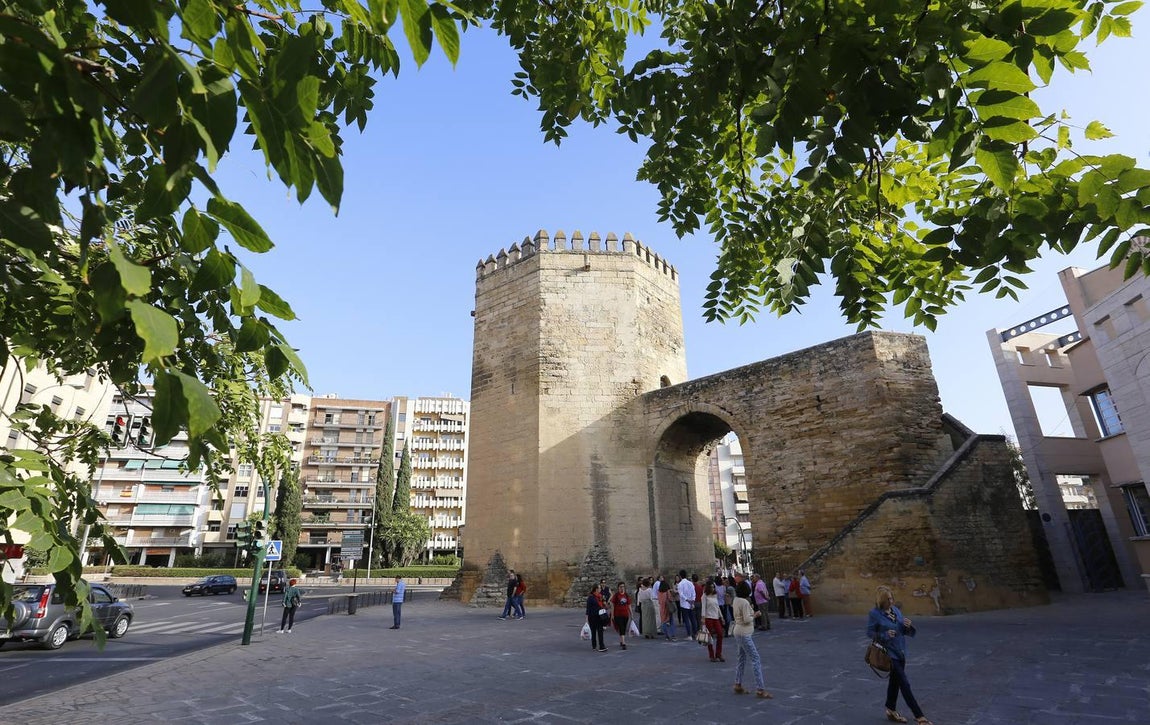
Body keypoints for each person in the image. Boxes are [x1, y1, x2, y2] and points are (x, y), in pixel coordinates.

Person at [868, 586, 932, 725]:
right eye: (888, 599)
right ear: (881, 600)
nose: (891, 601)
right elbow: (870, 633)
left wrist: (907, 625)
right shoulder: (874, 614)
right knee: (904, 683)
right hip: (888, 652)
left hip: (900, 651)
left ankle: (890, 709)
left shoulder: (896, 610)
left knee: (895, 681)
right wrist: (884, 635)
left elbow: (901, 629)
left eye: (892, 598)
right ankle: (919, 716)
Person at [731, 580, 770, 699]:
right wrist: (756, 615)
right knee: (755, 658)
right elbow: (747, 619)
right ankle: (760, 688)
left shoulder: (736, 600)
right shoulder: (744, 602)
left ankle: (738, 683)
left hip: (738, 631)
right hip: (744, 633)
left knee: (741, 658)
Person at [701, 580, 725, 662]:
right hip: (708, 618)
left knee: (720, 634)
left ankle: (718, 653)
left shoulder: (715, 595)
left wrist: (721, 617)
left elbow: (717, 607)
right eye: (711, 586)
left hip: (716, 617)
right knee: (709, 637)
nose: (713, 588)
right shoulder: (704, 596)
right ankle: (711, 655)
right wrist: (703, 618)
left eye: (714, 586)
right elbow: (703, 607)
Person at [585, 583, 609, 652]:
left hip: (600, 617)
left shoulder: (601, 597)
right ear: (596, 589)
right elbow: (588, 609)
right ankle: (594, 646)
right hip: (592, 617)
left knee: (600, 631)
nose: (600, 589)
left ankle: (602, 646)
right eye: (599, 588)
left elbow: (604, 606)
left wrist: (605, 604)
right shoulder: (591, 598)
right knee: (593, 632)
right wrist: (586, 619)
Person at [609, 581, 632, 650]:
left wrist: (631, 614)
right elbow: (612, 605)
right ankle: (624, 643)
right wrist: (612, 614)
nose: (622, 588)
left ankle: (621, 640)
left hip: (625, 614)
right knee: (621, 627)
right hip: (618, 614)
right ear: (618, 588)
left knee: (624, 628)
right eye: (620, 587)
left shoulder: (626, 595)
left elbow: (629, 605)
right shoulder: (616, 595)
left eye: (623, 587)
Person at [677, 569, 698, 638]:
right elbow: (693, 593)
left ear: (680, 576)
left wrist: (687, 599)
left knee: (686, 620)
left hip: (684, 604)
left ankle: (689, 635)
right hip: (691, 603)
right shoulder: (690, 583)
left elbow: (681, 594)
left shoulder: (680, 584)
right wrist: (692, 600)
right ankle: (695, 633)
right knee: (693, 619)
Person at [657, 577, 677, 641]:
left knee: (664, 622)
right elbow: (670, 599)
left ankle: (667, 636)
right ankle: (673, 635)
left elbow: (659, 601)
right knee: (671, 622)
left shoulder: (659, 592)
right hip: (668, 608)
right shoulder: (667, 592)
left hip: (662, 608)